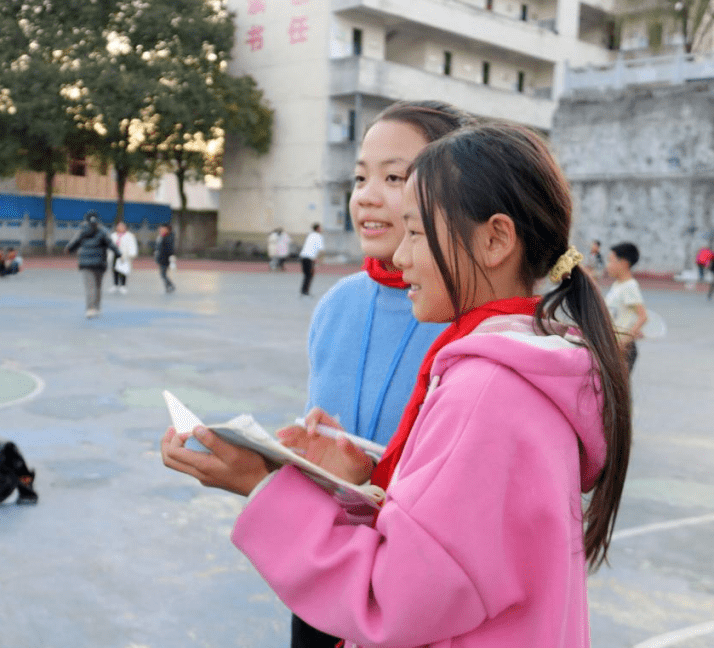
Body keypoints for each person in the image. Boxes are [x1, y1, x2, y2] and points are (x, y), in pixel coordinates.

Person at [162, 122, 632, 648]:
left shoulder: (488, 390)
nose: (401, 256)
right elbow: (452, 557)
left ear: (495, 239)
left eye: (414, 232)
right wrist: (360, 479)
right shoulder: (523, 365)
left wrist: (263, 487)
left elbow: (395, 599)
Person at [292, 100, 467, 648]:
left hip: (415, 596)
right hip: (326, 571)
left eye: (395, 178)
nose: (367, 195)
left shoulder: (471, 323)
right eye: (361, 176)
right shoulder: (337, 305)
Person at [66, 210, 120, 318]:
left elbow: (74, 244)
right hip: (100, 263)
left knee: (90, 286)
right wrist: (118, 253)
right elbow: (110, 244)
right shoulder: (103, 231)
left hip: (86, 264)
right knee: (98, 286)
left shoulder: (82, 231)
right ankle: (97, 307)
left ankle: (90, 309)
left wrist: (69, 249)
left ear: (85, 221)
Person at [604, 241, 648, 373]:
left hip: (623, 349)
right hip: (613, 346)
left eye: (610, 261)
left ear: (623, 263)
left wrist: (623, 342)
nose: (608, 266)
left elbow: (643, 316)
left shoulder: (629, 286)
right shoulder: (618, 285)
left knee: (618, 391)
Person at [109, 221, 138, 293]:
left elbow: (132, 245)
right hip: (115, 255)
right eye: (119, 226)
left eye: (122, 226)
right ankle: (115, 285)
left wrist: (132, 254)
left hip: (124, 255)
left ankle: (123, 285)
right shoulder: (113, 236)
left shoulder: (129, 236)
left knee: (123, 270)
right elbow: (109, 245)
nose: (120, 228)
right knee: (114, 270)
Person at [298, 223, 324, 296]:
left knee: (306, 275)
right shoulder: (319, 236)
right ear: (317, 229)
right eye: (320, 228)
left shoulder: (310, 235)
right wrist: (320, 260)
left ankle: (303, 290)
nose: (321, 229)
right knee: (310, 275)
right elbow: (320, 249)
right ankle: (305, 291)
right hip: (310, 258)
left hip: (303, 256)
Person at [155, 222, 176, 293]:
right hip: (161, 258)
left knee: (163, 274)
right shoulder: (161, 237)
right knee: (163, 274)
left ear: (167, 229)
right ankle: (168, 286)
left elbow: (169, 249)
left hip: (165, 259)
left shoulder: (168, 237)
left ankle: (170, 285)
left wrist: (171, 258)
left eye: (163, 228)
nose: (161, 229)